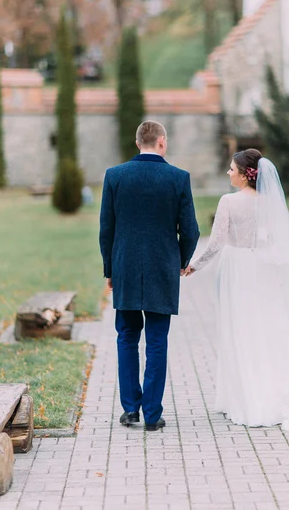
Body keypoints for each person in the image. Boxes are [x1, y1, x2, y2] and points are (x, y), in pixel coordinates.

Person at [186, 149, 289, 431]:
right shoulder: (270, 203)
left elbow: (216, 243)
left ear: (245, 175)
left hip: (237, 269)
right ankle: (265, 397)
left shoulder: (229, 201)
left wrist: (193, 265)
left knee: (240, 330)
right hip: (264, 270)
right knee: (264, 330)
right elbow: (276, 240)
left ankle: (247, 401)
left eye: (231, 169)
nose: (228, 173)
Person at [99, 120, 200, 431]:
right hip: (162, 268)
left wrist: (109, 269)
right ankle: (153, 415)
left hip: (125, 267)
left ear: (137, 141)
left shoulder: (114, 176)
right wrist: (181, 261)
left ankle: (130, 410)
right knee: (157, 341)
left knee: (126, 337)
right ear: (162, 142)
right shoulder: (178, 178)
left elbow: (107, 230)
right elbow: (192, 231)